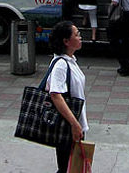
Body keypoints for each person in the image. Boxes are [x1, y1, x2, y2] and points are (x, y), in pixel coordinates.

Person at [47, 21, 88, 173]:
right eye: (77, 35)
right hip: (67, 127)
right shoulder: (61, 65)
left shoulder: (70, 61)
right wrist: (75, 124)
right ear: (66, 41)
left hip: (73, 124)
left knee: (71, 168)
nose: (80, 37)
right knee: (67, 168)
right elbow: (55, 94)